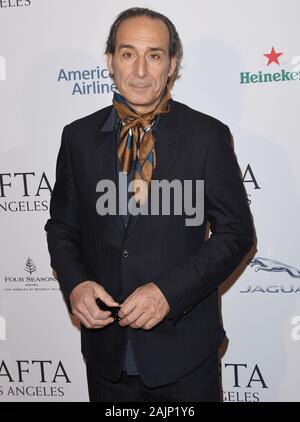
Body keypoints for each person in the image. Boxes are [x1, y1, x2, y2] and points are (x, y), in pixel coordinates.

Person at [44, 7, 254, 402]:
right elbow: (62, 227)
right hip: (106, 356)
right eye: (128, 54)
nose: (140, 70)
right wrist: (75, 283)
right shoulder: (77, 137)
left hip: (185, 356)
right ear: (109, 61)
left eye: (154, 55)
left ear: (172, 64)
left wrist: (168, 292)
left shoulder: (206, 136)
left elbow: (237, 232)